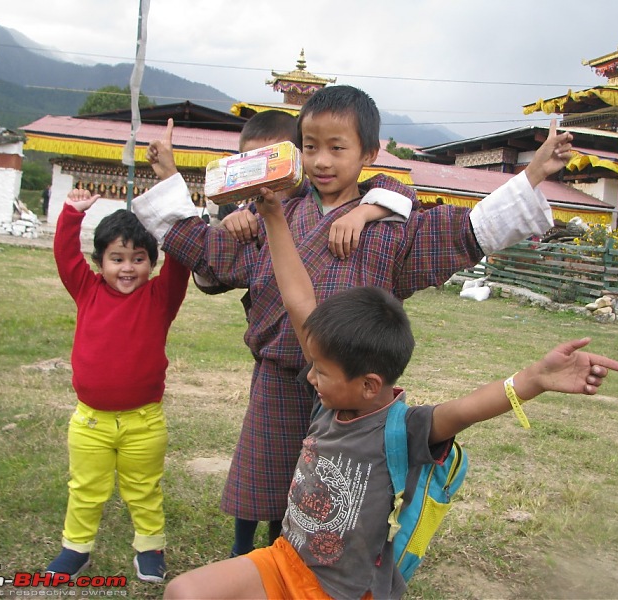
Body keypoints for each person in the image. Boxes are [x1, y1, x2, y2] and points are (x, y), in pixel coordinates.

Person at [133, 84, 570, 563]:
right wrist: (172, 178)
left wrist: (531, 173)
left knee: (331, 494)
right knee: (269, 475)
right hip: (279, 377)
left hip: (354, 393)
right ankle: (256, 557)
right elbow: (211, 252)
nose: (322, 161)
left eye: (337, 148)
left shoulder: (389, 225)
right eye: (310, 146)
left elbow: (463, 231)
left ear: (369, 153)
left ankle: (311, 563)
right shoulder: (275, 210)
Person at [162, 182, 618, 600]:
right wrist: (275, 218)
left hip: (338, 592)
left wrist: (535, 379)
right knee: (184, 591)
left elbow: (468, 409)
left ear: (369, 386)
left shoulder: (401, 429)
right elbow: (299, 298)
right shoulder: (334, 393)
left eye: (320, 372)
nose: (310, 377)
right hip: (284, 560)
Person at [144, 109, 416, 557]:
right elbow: (215, 264)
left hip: (343, 375)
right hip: (277, 366)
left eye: (270, 162)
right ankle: (243, 551)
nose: (322, 161)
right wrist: (186, 185)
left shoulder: (369, 203)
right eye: (248, 165)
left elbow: (400, 190)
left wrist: (366, 211)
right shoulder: (258, 213)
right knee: (263, 467)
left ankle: (294, 550)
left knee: (316, 476)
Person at [47, 188, 190, 583]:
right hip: (90, 423)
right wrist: (71, 215)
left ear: (152, 262)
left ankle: (150, 548)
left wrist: (176, 212)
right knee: (86, 489)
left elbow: (180, 262)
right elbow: (64, 255)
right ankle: (75, 548)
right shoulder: (87, 290)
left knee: (143, 489)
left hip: (144, 423)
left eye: (138, 259)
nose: (128, 268)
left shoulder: (161, 297)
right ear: (99, 263)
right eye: (117, 259)